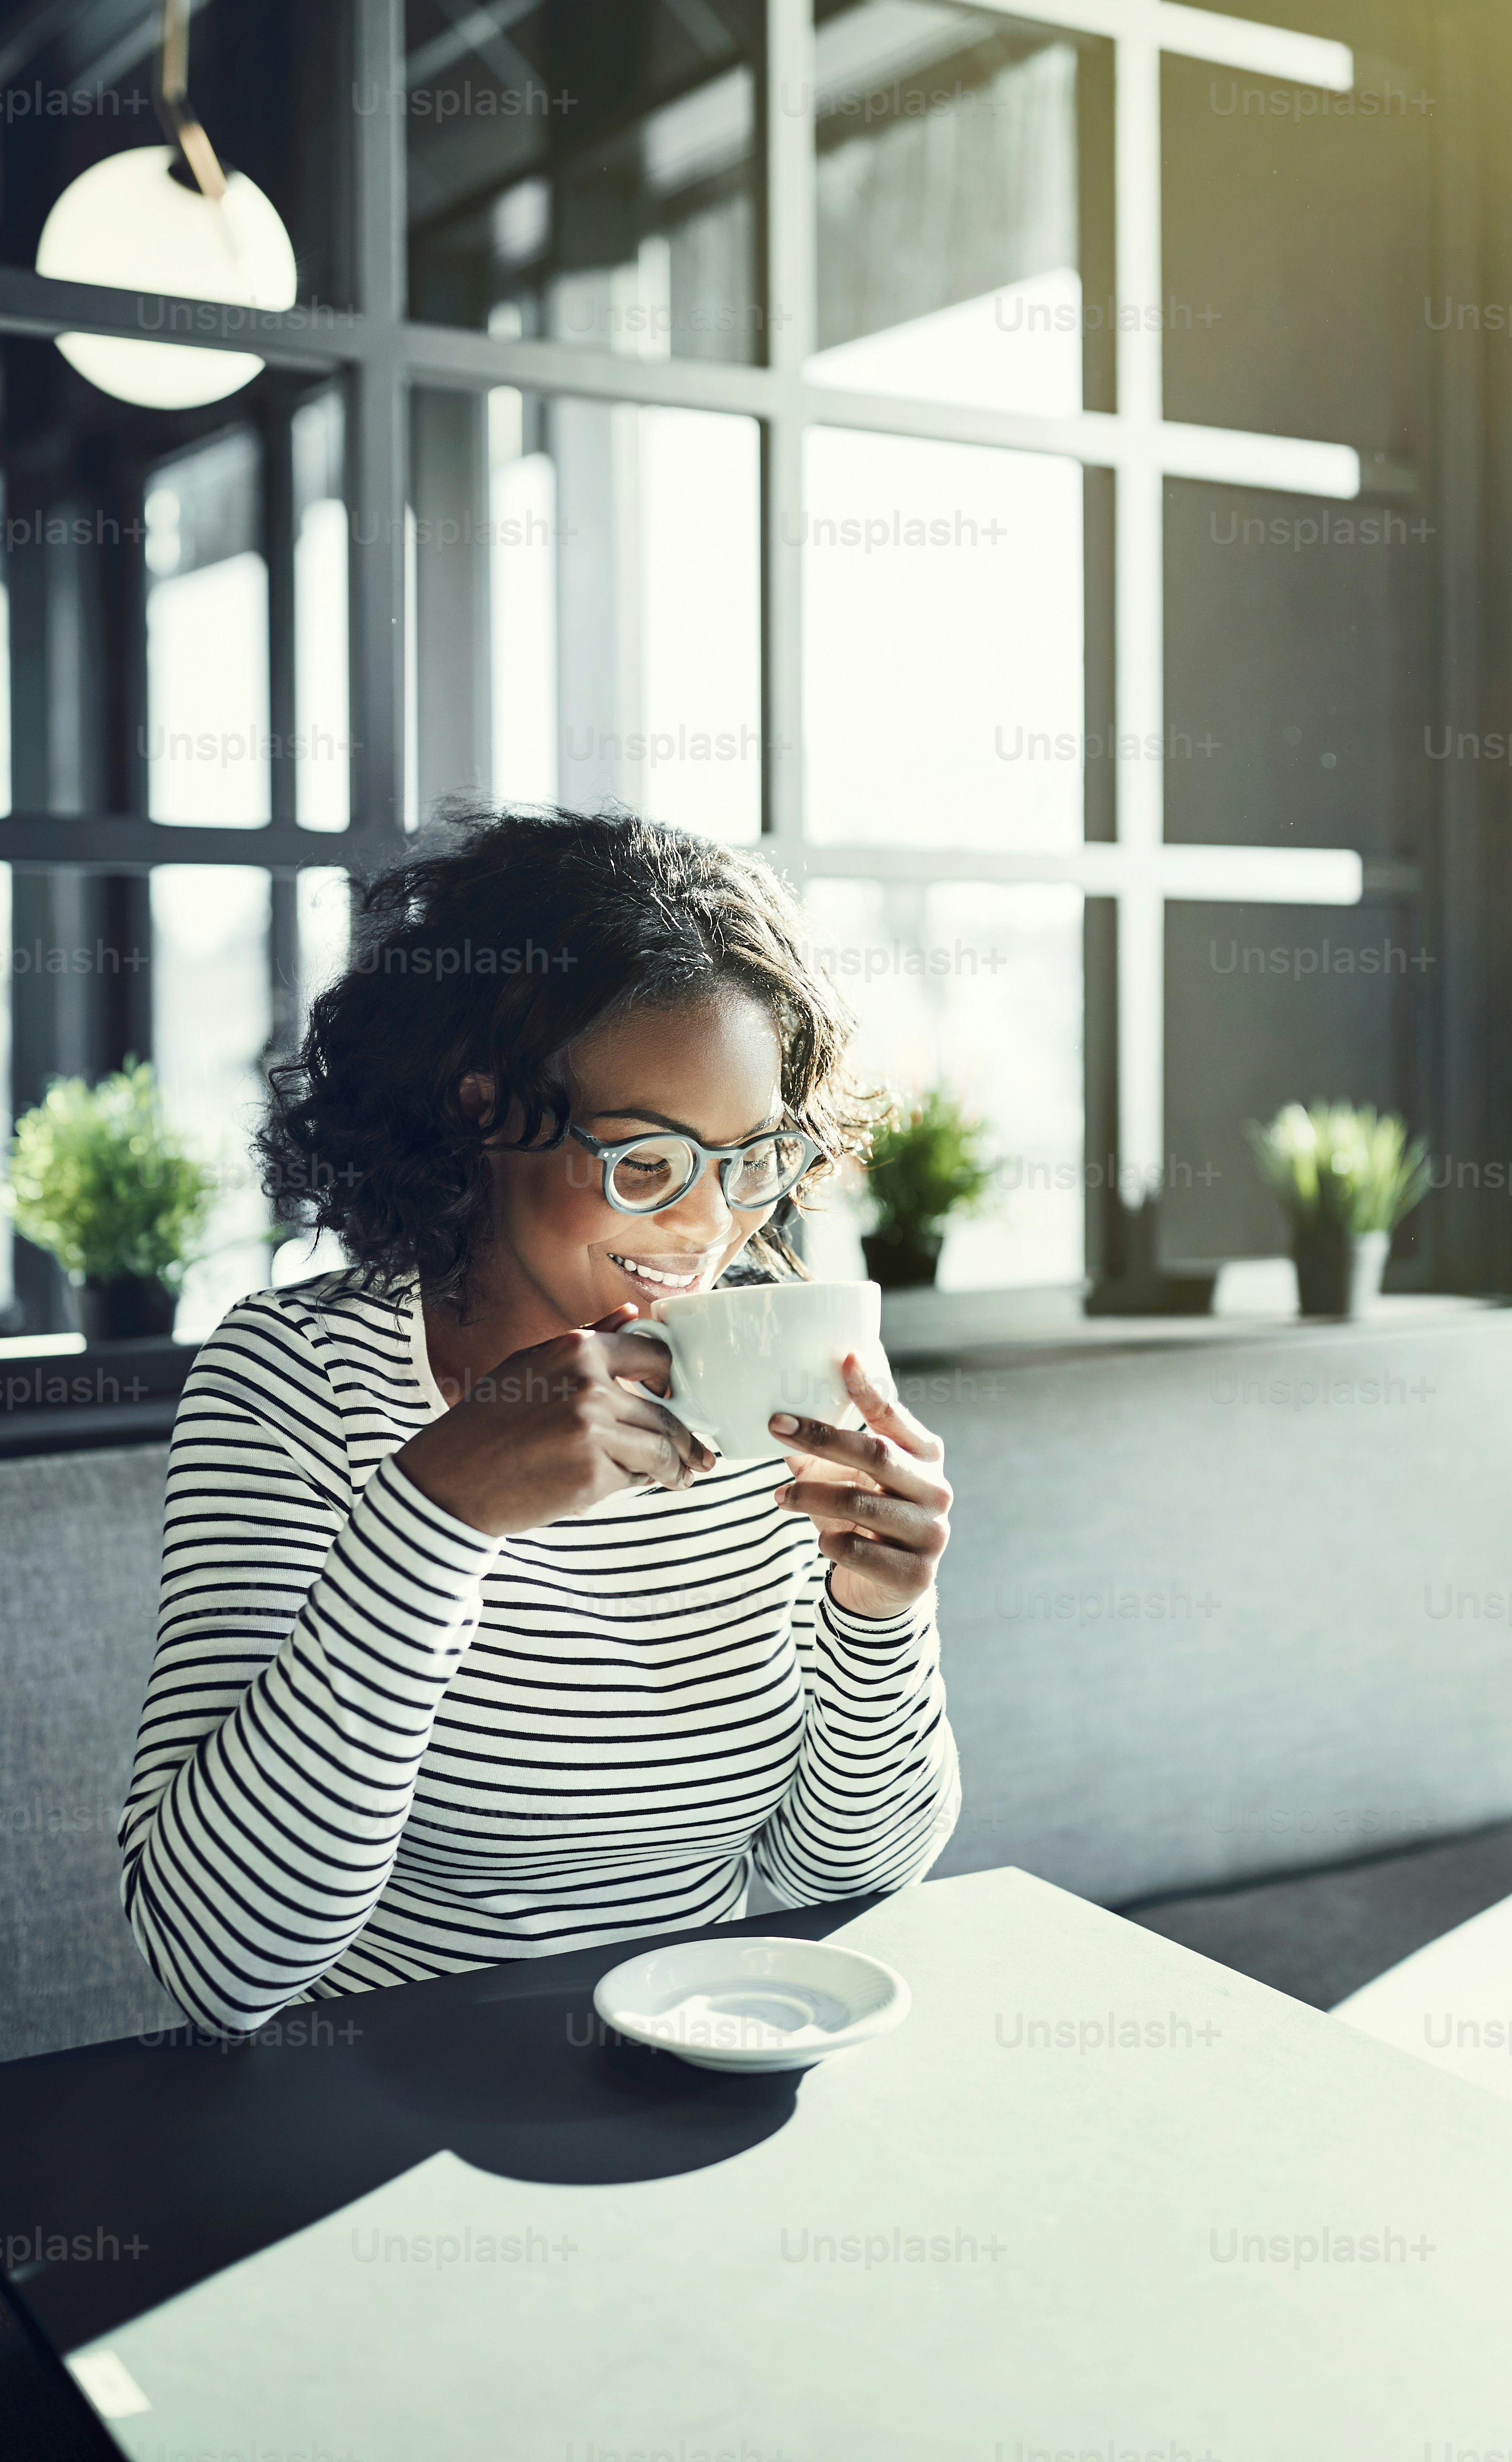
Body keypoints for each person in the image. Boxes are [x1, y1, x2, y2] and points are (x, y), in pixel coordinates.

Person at [119, 808, 961, 2035]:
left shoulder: (773, 1371)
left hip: (717, 2053)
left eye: (750, 1160)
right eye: (647, 1160)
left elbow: (845, 1880)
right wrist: (435, 1517)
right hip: (389, 2102)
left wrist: (881, 1618)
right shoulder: (296, 1382)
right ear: (484, 1111)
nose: (707, 1226)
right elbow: (218, 1967)